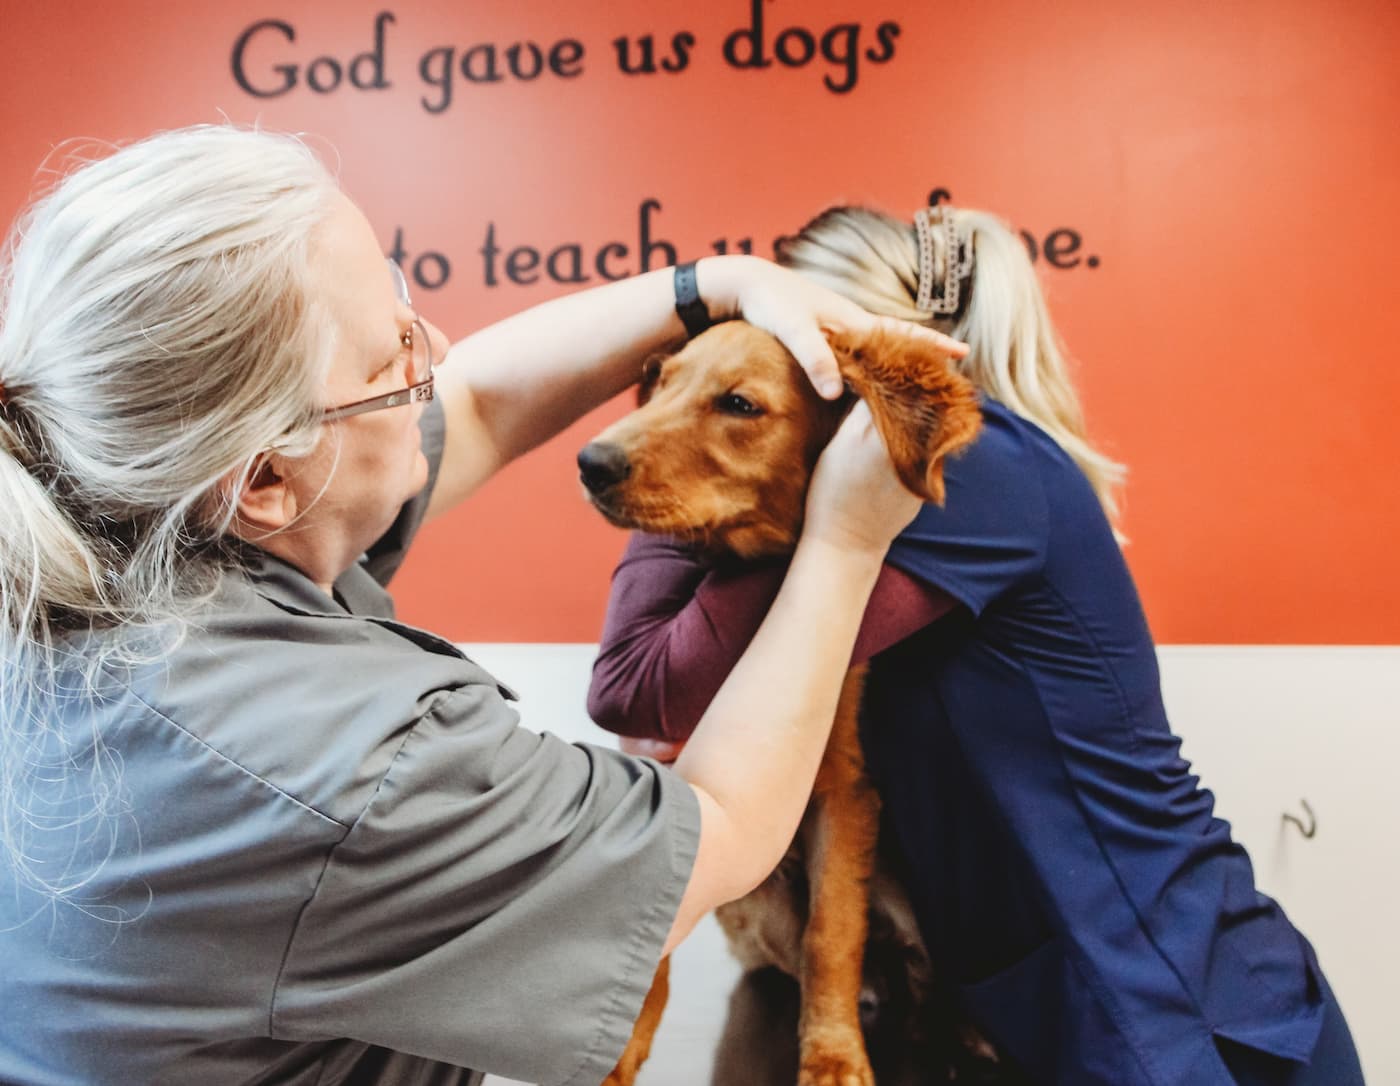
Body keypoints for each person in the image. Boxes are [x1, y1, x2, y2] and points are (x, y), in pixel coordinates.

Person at [0, 126, 969, 1085]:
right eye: (391, 353)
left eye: (405, 304)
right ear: (265, 477)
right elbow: (716, 834)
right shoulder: (347, 761)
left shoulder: (125, 530)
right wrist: (846, 541)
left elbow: (475, 404)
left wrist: (712, 284)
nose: (439, 348)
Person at [587, 205, 1367, 1086]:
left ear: (865, 345)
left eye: (783, 320)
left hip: (1175, 1003)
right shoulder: (894, 486)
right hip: (1072, 995)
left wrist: (659, 456)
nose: (766, 335)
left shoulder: (964, 472)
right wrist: (681, 412)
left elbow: (637, 682)